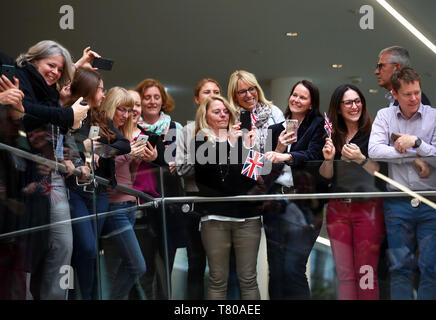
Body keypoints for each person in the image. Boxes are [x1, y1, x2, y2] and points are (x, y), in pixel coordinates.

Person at [368, 67, 436, 300]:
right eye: (407, 94)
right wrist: (414, 154)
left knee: (432, 268)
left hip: (431, 201)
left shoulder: (433, 116)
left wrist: (416, 142)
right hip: (397, 202)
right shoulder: (384, 116)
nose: (414, 98)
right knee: (400, 268)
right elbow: (374, 150)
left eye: (417, 92)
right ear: (395, 95)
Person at [64, 68, 131, 300]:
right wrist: (83, 147)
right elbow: (65, 145)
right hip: (73, 190)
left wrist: (99, 148)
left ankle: (89, 296)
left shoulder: (100, 117)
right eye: (101, 89)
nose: (103, 94)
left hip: (99, 192)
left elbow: (125, 145)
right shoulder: (68, 113)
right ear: (89, 90)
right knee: (85, 247)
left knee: (90, 253)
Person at [319, 84, 385, 300]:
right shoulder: (331, 135)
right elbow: (326, 176)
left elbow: (380, 173)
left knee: (366, 271)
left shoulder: (373, 133)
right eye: (348, 102)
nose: (354, 106)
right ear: (338, 108)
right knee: (345, 274)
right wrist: (329, 159)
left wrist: (360, 159)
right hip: (338, 209)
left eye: (358, 101)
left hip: (368, 208)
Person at [194, 95, 261, 300]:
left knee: (249, 279)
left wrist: (249, 148)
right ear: (205, 116)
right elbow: (210, 182)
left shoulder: (245, 138)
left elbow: (252, 179)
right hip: (215, 218)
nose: (223, 115)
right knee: (217, 279)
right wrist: (230, 145)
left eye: (225, 111)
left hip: (248, 218)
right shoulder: (200, 141)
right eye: (216, 111)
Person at [264, 80, 325, 299]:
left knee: (293, 268)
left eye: (303, 97)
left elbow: (314, 156)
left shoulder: (317, 125)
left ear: (311, 104)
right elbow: (263, 169)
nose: (296, 100)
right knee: (276, 270)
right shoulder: (273, 130)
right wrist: (279, 147)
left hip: (304, 204)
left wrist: (287, 155)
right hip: (274, 204)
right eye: (294, 95)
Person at [134, 78, 185, 299]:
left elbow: (181, 164)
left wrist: (159, 159)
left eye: (156, 97)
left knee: (166, 270)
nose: (152, 101)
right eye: (147, 97)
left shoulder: (176, 128)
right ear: (140, 101)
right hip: (141, 207)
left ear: (163, 100)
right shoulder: (131, 127)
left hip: (169, 207)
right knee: (143, 269)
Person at [175, 78, 221, 299]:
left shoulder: (229, 129)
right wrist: (208, 156)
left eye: (216, 91)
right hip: (193, 201)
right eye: (206, 92)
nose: (212, 95)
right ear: (197, 99)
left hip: (222, 202)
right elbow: (181, 170)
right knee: (195, 261)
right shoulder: (186, 130)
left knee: (221, 265)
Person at [99, 86, 146, 299]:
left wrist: (135, 157)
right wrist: (127, 152)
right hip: (113, 206)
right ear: (110, 107)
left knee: (116, 269)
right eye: (121, 109)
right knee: (137, 266)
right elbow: (100, 163)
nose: (126, 115)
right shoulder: (101, 132)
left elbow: (127, 174)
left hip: (129, 205)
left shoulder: (122, 134)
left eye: (129, 110)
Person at [14, 40, 89, 131]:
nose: (55, 72)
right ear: (34, 60)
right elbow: (26, 109)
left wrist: (73, 123)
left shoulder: (51, 90)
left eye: (60, 70)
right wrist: (68, 114)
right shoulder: (19, 75)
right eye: (51, 65)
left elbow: (58, 127)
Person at [227, 70, 284, 154]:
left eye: (251, 89)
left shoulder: (273, 111)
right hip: (243, 165)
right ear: (235, 96)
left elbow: (287, 144)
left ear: (257, 90)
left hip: (275, 165)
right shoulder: (229, 118)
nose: (249, 95)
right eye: (242, 92)